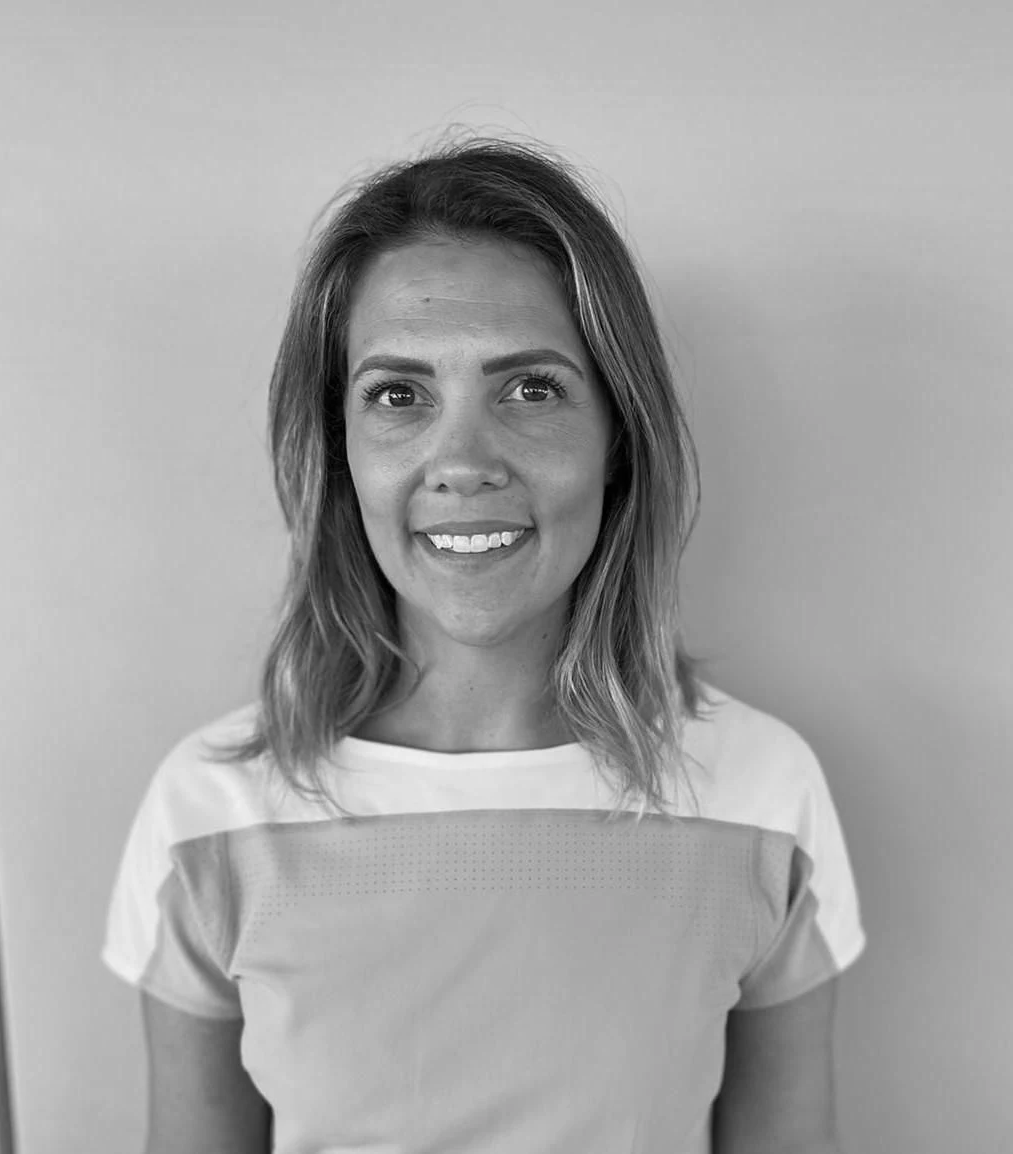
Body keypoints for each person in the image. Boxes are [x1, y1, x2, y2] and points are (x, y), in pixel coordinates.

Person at [102, 131, 867, 1154]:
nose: (461, 461)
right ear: (339, 450)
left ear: (618, 439)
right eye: (398, 394)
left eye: (530, 388)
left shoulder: (761, 790)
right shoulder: (210, 811)